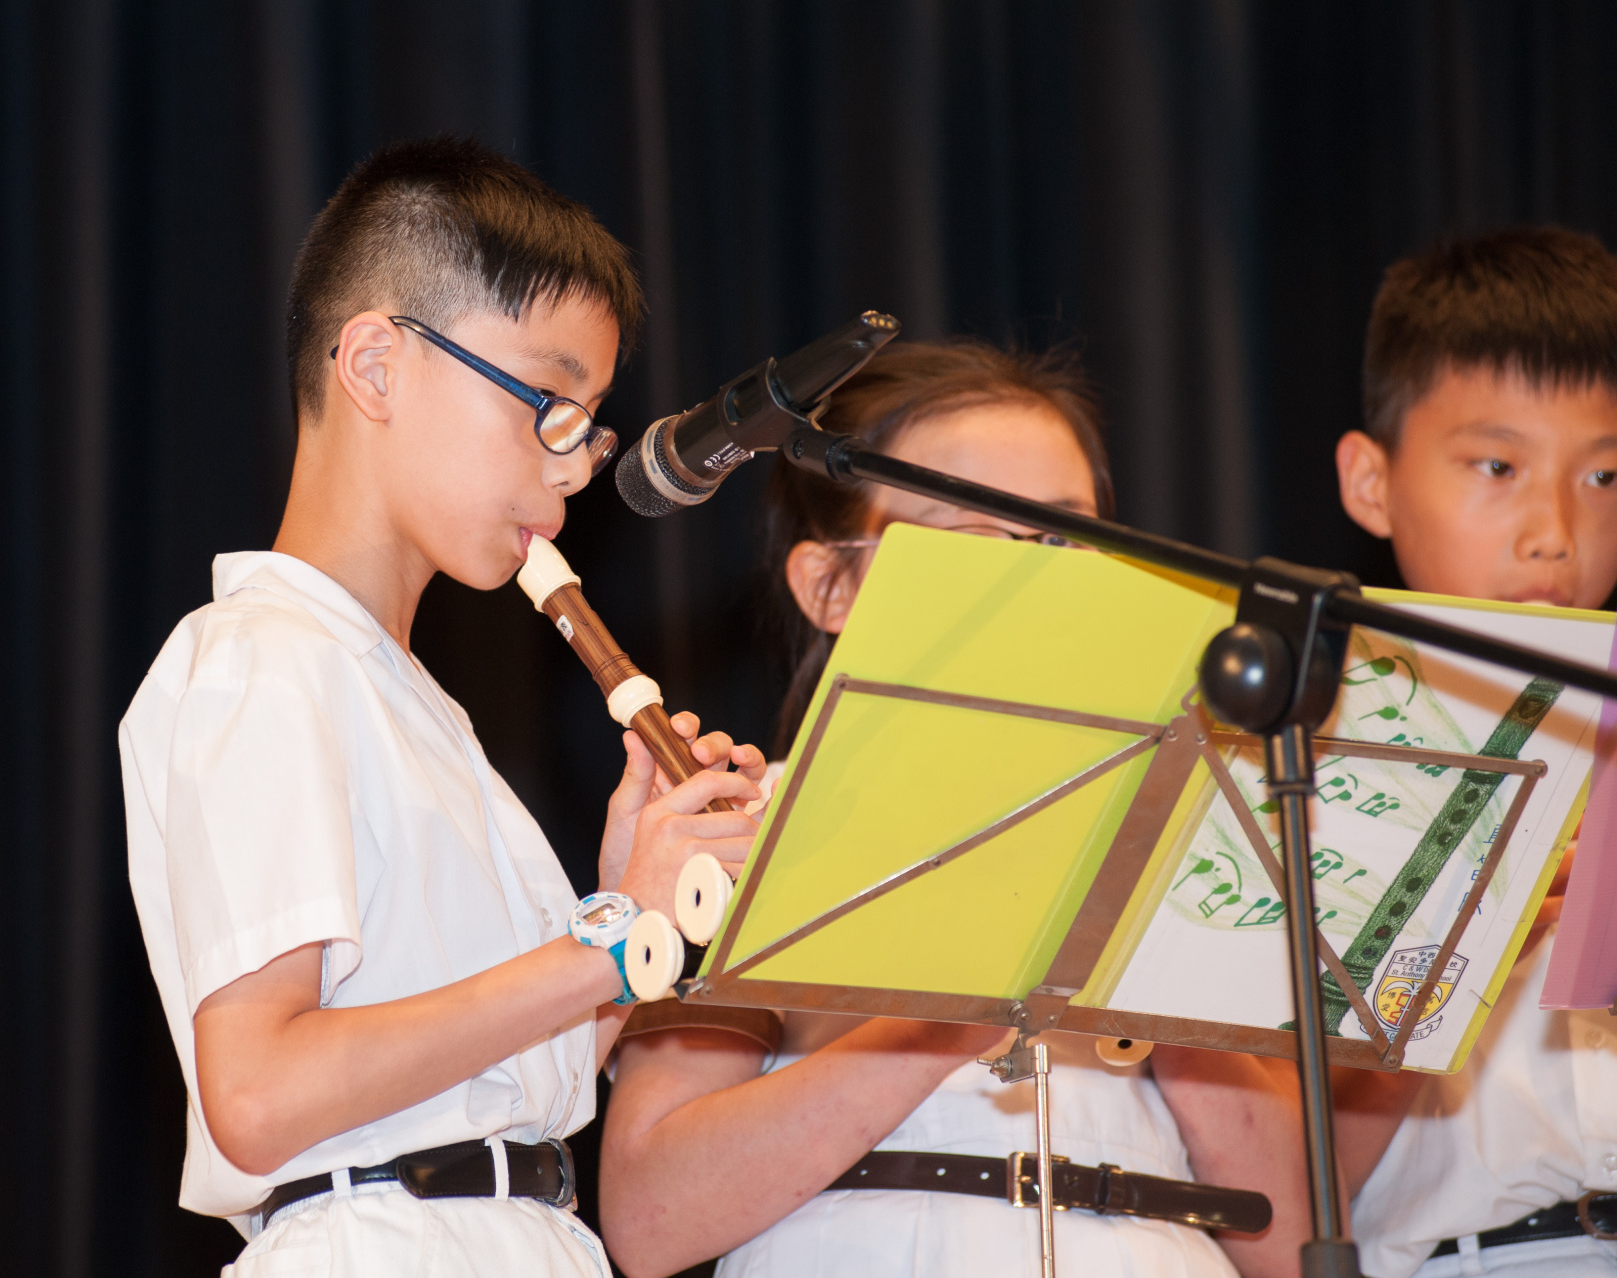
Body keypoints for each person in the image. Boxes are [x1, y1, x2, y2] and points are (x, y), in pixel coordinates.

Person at [117, 137, 766, 1278]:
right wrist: (614, 943)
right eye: (549, 407)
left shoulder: (414, 706)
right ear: (376, 366)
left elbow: (509, 1090)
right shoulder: (260, 657)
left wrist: (632, 888)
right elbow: (260, 1097)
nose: (572, 470)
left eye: (589, 427)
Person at [598, 339, 1252, 1278]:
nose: (1038, 577)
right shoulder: (749, 826)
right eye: (975, 538)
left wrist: (1167, 975)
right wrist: (952, 1018)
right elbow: (651, 1217)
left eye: (1062, 538)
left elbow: (1290, 1239)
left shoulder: (1194, 828)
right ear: (831, 585)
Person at [1157, 225, 1617, 1278]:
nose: (1555, 530)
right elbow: (1296, 1190)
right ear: (1371, 482)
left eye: (1604, 475)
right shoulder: (1293, 764)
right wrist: (1468, 948)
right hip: (1463, 1259)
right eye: (1498, 465)